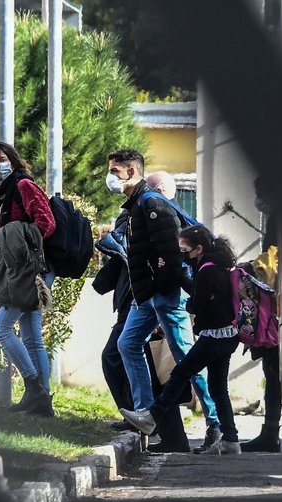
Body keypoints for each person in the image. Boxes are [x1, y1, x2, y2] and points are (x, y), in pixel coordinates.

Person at [106, 149, 222, 451]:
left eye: (115, 171)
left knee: (184, 356)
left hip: (163, 294)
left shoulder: (152, 203)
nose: (111, 177)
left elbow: (173, 254)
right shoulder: (135, 207)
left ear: (132, 172)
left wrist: (162, 290)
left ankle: (216, 421)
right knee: (127, 344)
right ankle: (146, 414)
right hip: (147, 295)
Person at [121, 225, 242, 455]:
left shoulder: (207, 270)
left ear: (198, 249)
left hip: (214, 336)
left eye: (184, 249)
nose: (181, 254)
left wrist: (188, 300)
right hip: (227, 335)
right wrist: (182, 277)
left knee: (180, 373)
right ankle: (230, 439)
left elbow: (196, 304)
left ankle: (151, 417)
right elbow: (200, 294)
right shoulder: (216, 265)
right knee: (218, 387)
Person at [93, 210, 191, 452]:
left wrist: (158, 311)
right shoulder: (138, 215)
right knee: (146, 364)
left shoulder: (159, 217)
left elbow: (168, 268)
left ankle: (150, 420)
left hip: (145, 302)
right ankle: (161, 429)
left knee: (141, 361)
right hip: (139, 300)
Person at [0, 141, 56, 416]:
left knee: (0, 328)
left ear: (13, 162)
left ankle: (34, 386)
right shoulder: (5, 192)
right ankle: (43, 404)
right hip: (27, 268)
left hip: (30, 270)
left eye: (1, 159)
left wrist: (17, 239)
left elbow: (47, 223)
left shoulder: (23, 185)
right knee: (31, 336)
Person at [240, 177, 282, 452]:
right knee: (273, 372)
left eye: (260, 194)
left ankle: (270, 432)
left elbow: (273, 260)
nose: (259, 202)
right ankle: (270, 432)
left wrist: (249, 267)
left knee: (273, 371)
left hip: (277, 308)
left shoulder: (280, 219)